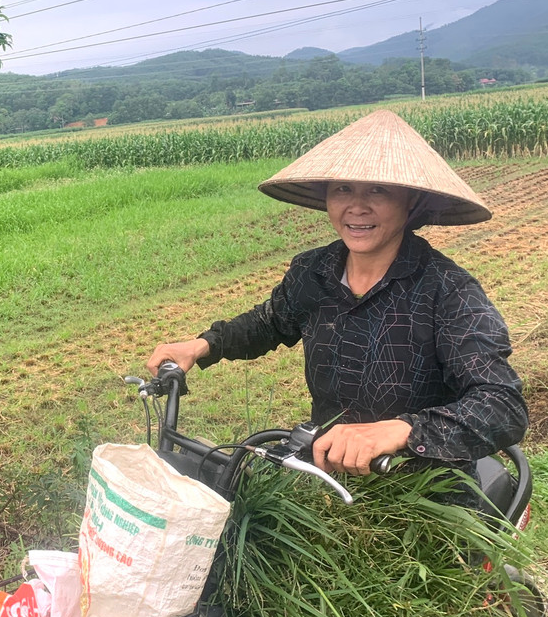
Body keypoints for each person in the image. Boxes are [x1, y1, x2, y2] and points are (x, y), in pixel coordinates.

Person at [147, 109, 528, 494]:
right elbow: (270, 322)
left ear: (411, 202)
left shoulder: (448, 291)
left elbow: (502, 405)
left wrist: (400, 430)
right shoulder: (314, 271)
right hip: (328, 472)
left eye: (378, 190)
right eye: (343, 189)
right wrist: (203, 345)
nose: (356, 207)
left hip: (424, 491)